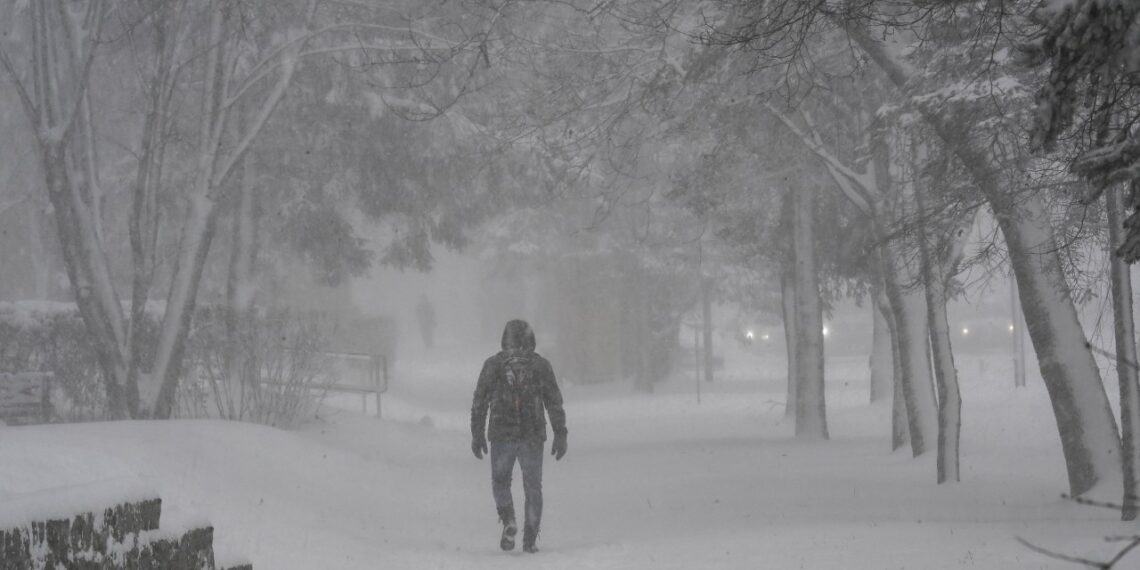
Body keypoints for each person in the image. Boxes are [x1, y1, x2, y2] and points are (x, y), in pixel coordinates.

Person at [470, 319, 568, 553]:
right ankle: (530, 539)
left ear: (505, 340)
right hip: (532, 434)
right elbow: (554, 401)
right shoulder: (541, 366)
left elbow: (479, 403)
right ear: (530, 340)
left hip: (502, 434)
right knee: (533, 486)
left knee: (501, 482)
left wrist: (477, 434)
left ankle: (509, 520)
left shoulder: (493, 365)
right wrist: (560, 433)